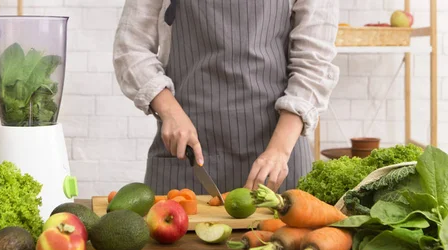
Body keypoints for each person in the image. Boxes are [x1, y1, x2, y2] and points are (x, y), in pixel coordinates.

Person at [113, 0, 340, 195]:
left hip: (277, 160)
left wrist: (279, 150)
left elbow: (314, 64)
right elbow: (130, 48)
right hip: (185, 156)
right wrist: (170, 112)